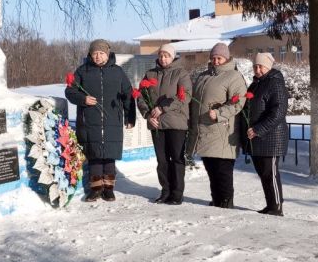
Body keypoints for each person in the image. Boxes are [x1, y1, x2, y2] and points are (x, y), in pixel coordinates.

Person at [65, 39, 136, 202]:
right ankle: (96, 189)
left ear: (108, 53)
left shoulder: (117, 72)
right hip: (90, 120)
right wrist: (83, 99)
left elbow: (128, 95)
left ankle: (109, 189)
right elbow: (70, 91)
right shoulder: (83, 71)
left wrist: (130, 117)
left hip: (113, 120)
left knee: (109, 155)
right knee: (94, 155)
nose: (98, 56)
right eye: (95, 53)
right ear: (90, 54)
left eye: (101, 53)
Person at [187, 42, 247, 208]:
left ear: (226, 58)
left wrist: (220, 113)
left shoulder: (233, 77)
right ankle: (217, 199)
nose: (216, 61)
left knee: (223, 171)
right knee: (211, 170)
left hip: (222, 133)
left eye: (219, 58)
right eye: (213, 58)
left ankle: (226, 202)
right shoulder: (203, 76)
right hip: (204, 132)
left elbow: (239, 101)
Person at [137, 43, 192, 205]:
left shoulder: (181, 73)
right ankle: (165, 191)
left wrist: (163, 108)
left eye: (166, 55)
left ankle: (177, 193)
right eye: (161, 55)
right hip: (157, 124)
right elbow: (141, 96)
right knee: (162, 160)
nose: (163, 58)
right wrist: (148, 115)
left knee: (176, 158)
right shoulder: (150, 74)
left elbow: (185, 96)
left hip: (176, 123)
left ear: (173, 56)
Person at [242, 52, 289, 216]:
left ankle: (277, 207)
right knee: (263, 173)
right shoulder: (255, 84)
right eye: (255, 66)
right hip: (256, 137)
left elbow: (278, 112)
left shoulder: (275, 83)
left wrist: (258, 129)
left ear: (268, 67)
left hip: (272, 137)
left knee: (271, 173)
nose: (257, 69)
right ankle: (270, 205)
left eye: (260, 66)